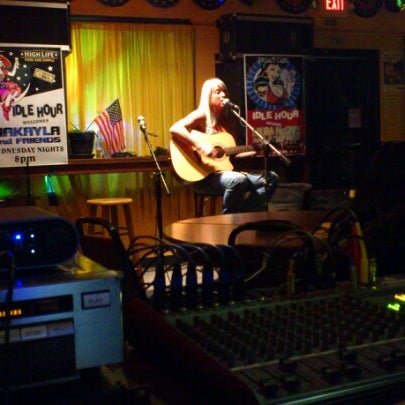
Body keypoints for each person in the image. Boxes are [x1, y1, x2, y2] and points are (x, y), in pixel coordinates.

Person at [169, 77, 279, 214]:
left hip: (224, 174)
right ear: (208, 96)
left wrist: (256, 150)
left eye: (224, 92)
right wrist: (200, 145)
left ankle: (244, 216)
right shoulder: (201, 115)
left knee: (271, 178)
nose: (223, 95)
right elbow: (175, 128)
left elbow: (232, 155)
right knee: (237, 179)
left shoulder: (226, 121)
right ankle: (227, 222)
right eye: (217, 92)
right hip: (203, 177)